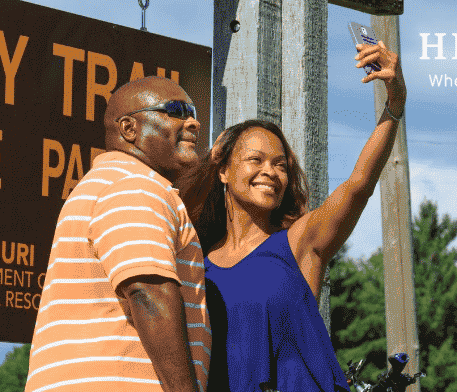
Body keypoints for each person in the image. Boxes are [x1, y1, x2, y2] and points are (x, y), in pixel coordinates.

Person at [180, 41, 406, 392]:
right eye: (255, 160)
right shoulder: (198, 263)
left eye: (280, 165)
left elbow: (358, 185)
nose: (270, 171)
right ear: (223, 170)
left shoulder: (299, 244)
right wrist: (209, 155)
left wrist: (394, 105)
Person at [26, 76, 210, 392]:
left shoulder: (107, 185)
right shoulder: (135, 186)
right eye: (176, 110)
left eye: (193, 112)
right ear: (129, 129)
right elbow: (148, 292)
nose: (193, 122)